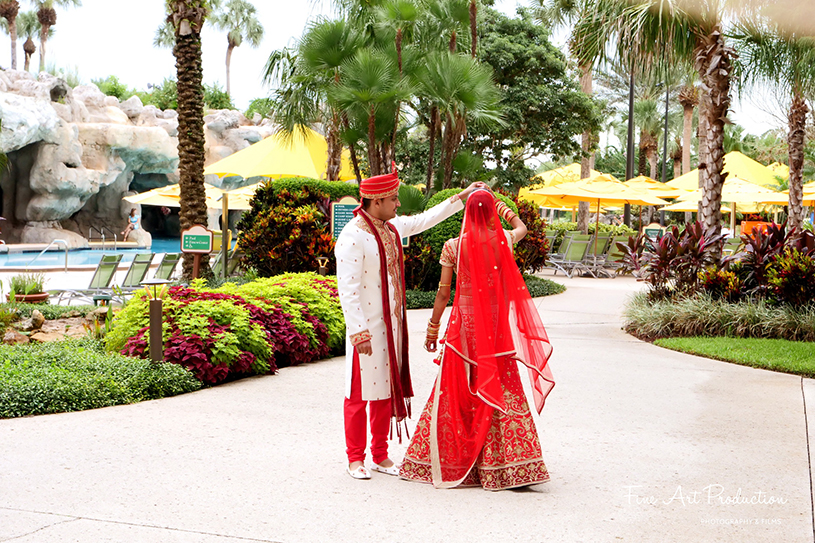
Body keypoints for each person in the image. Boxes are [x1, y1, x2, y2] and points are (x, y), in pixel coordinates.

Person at [335, 165, 487, 480]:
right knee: (359, 394)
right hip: (366, 330)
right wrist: (358, 332)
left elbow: (422, 220)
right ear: (375, 201)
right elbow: (347, 290)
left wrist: (461, 197)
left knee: (384, 391)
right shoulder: (352, 236)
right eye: (393, 199)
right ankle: (354, 459)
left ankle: (379, 454)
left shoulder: (389, 228)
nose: (398, 205)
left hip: (391, 329)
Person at [400, 189, 555, 490]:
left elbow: (444, 293)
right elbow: (521, 229)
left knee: (456, 389)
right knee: (503, 384)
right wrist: (503, 208)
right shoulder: (503, 241)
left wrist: (433, 328)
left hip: (464, 327)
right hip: (496, 327)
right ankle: (509, 464)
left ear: (468, 213)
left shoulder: (453, 246)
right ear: (489, 214)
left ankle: (450, 460)